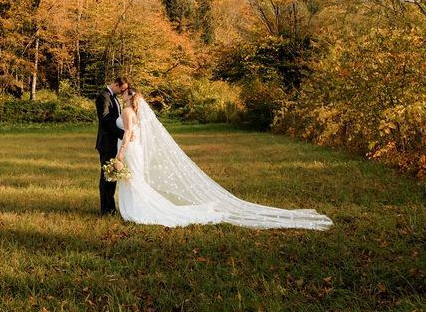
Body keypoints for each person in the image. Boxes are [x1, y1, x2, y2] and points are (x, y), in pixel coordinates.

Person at [113, 85, 332, 230]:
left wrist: (120, 154)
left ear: (129, 97)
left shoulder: (127, 112)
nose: (122, 95)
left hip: (130, 150)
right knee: (135, 180)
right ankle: (136, 207)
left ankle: (137, 209)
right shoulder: (136, 111)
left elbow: (129, 133)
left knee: (133, 181)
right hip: (137, 149)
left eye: (124, 93)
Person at [94, 77, 128, 215]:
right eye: (122, 89)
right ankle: (105, 209)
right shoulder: (103, 97)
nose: (122, 92)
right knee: (106, 176)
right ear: (116, 84)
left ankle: (111, 207)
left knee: (113, 176)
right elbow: (105, 121)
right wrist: (122, 134)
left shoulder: (114, 97)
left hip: (114, 142)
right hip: (106, 143)